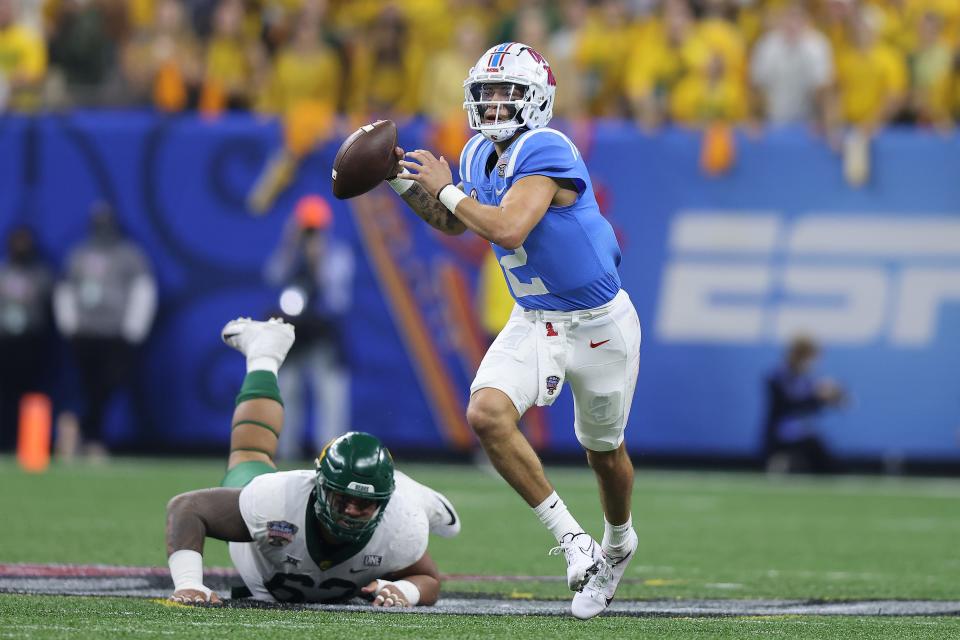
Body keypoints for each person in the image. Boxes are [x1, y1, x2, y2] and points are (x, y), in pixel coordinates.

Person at [386, 42, 641, 620]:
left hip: (600, 324)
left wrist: (445, 186)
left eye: (509, 93)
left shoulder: (547, 147)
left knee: (605, 455)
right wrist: (402, 184)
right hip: (537, 319)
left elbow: (507, 227)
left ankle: (619, 540)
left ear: (538, 99)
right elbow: (455, 223)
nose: (495, 103)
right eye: (487, 93)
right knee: (486, 414)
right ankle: (575, 541)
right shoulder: (477, 152)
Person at [165, 317, 460, 606]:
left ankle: (422, 498)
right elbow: (187, 508)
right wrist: (189, 584)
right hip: (262, 560)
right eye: (341, 498)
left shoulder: (400, 525)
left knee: (430, 516)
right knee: (250, 453)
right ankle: (264, 353)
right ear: (319, 486)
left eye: (363, 503)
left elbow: (428, 580)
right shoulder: (275, 500)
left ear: (384, 504)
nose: (350, 511)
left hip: (400, 501)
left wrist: (405, 591)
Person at [53, 202, 157, 458]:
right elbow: (66, 287)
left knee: (108, 386)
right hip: (85, 331)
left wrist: (134, 328)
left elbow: (143, 289)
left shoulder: (129, 254)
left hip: (114, 332)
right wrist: (69, 323)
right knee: (84, 387)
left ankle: (89, 435)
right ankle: (82, 437)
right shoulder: (79, 253)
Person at [264, 194, 355, 460]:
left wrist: (319, 260)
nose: (311, 234)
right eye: (306, 228)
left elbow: (337, 297)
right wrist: (289, 244)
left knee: (330, 393)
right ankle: (285, 450)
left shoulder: (337, 254)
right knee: (287, 390)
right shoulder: (291, 253)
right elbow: (273, 276)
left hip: (323, 330)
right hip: (294, 332)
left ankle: (330, 453)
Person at [0, 225, 54, 450]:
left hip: (30, 342)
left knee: (31, 395)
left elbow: (51, 308)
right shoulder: (3, 272)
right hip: (3, 342)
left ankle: (30, 444)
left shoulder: (41, 274)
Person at [762, 335, 847, 474]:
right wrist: (816, 397)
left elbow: (818, 403)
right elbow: (789, 404)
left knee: (823, 452)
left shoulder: (807, 379)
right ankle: (782, 460)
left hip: (802, 434)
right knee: (817, 450)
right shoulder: (778, 376)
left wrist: (831, 397)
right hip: (780, 436)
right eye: (811, 356)